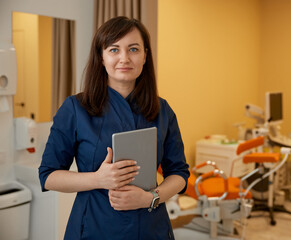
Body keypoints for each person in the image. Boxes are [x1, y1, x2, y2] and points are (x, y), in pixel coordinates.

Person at [39, 16, 189, 240]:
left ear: (145, 55)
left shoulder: (162, 110)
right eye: (114, 49)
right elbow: (48, 176)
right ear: (101, 57)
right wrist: (98, 179)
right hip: (95, 228)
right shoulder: (75, 108)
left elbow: (179, 173)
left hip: (151, 228)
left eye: (134, 49)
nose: (124, 58)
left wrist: (151, 198)